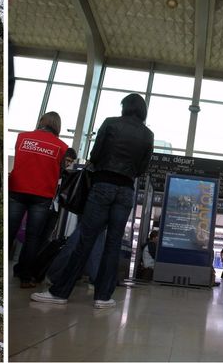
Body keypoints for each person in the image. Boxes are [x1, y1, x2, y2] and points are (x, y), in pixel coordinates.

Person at [31, 93, 154, 308]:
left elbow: (95, 154)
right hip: (125, 191)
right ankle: (103, 297)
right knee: (113, 244)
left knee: (85, 240)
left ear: (124, 107)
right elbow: (143, 167)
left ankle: (60, 292)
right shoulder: (148, 134)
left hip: (103, 186)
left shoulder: (111, 123)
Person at [9, 111, 68, 288]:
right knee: (33, 237)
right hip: (42, 195)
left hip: (18, 189)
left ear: (41, 121)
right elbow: (61, 172)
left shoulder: (22, 138)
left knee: (10, 231)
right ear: (57, 126)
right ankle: (25, 277)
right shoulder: (61, 147)